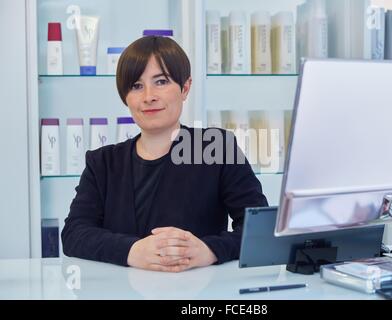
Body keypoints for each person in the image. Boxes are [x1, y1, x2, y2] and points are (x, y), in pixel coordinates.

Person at [61, 36, 268, 272]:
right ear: (125, 97)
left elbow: (259, 230)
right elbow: (74, 234)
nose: (149, 96)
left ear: (185, 88)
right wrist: (132, 250)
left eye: (161, 81)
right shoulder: (103, 163)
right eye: (137, 86)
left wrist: (209, 250)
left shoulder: (215, 148)